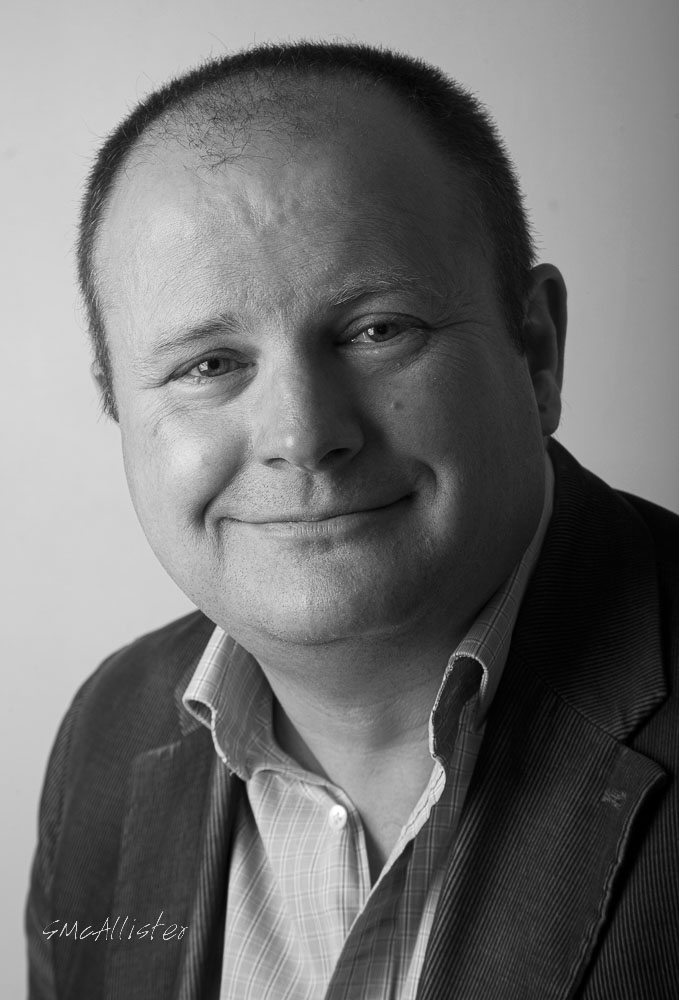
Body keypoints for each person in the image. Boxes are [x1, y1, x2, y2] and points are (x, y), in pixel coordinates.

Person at [26, 41, 678, 1000]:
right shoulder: (108, 733)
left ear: (536, 350)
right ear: (118, 406)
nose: (303, 435)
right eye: (208, 364)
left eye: (377, 330)